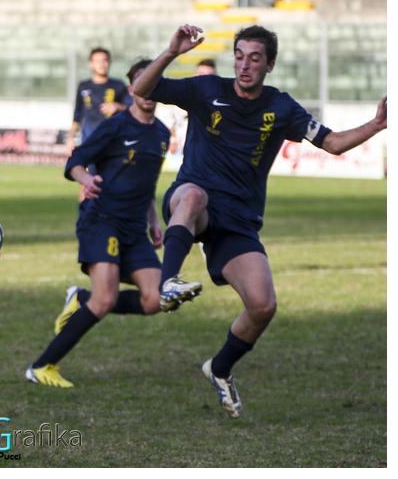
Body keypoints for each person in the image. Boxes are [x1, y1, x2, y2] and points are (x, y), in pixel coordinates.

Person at [133, 24, 387, 417]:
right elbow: (142, 89)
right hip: (191, 202)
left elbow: (333, 143)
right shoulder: (206, 91)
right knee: (195, 194)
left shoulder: (281, 107)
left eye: (254, 57)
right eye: (239, 55)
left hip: (237, 221)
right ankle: (168, 281)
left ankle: (219, 369)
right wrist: (170, 52)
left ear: (270, 63)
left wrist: (377, 124)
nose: (244, 65)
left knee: (263, 305)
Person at [25, 59, 203, 388]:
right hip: (102, 219)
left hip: (135, 228)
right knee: (105, 299)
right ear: (133, 89)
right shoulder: (115, 126)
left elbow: (146, 184)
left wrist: (153, 222)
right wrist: (85, 179)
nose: (148, 91)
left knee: (155, 300)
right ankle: (41, 365)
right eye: (141, 84)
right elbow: (75, 161)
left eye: (154, 83)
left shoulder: (162, 134)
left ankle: (80, 299)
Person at [65, 48, 128, 156]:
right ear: (91, 64)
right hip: (89, 141)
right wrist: (70, 138)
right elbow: (78, 115)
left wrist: (118, 106)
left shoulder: (119, 85)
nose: (102, 64)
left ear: (109, 62)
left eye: (105, 60)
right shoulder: (83, 86)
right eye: (97, 61)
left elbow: (132, 109)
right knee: (91, 172)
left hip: (113, 141)